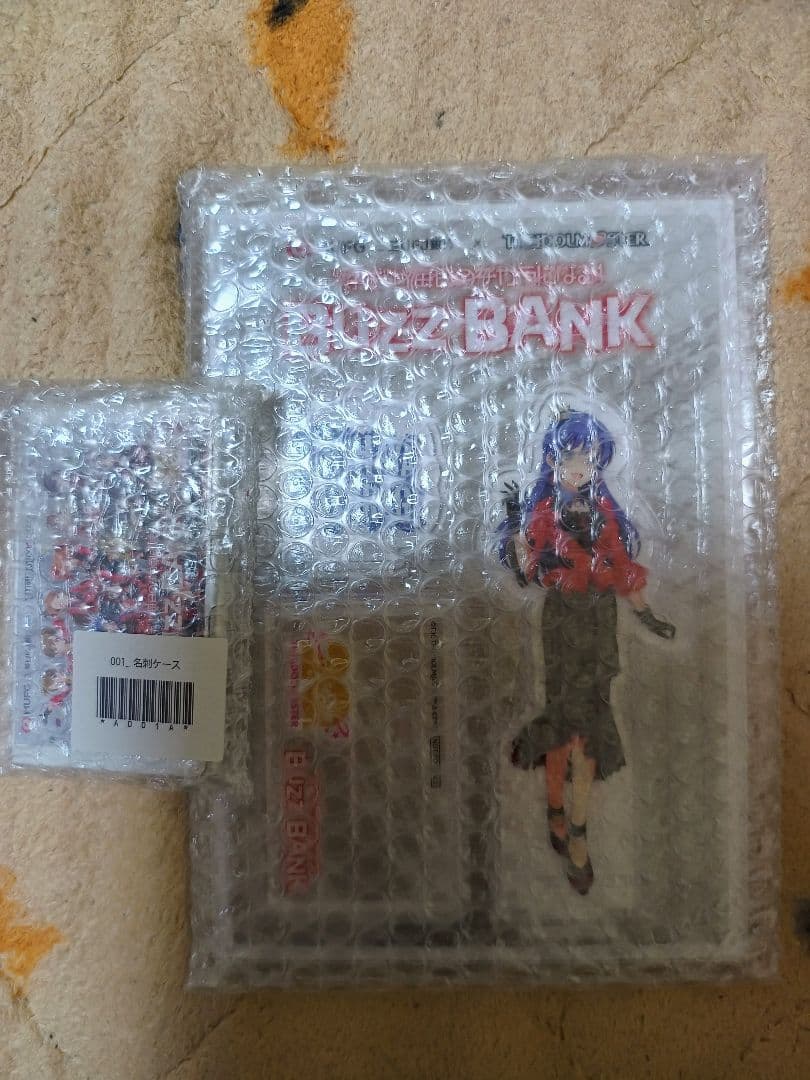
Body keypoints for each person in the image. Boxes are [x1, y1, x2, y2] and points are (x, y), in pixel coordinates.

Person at [498, 409, 675, 895]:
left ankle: (576, 826)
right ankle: (558, 812)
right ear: (553, 460)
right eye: (570, 458)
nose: (579, 469)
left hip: (600, 622)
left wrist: (646, 616)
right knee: (564, 725)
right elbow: (527, 569)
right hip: (563, 621)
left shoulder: (605, 512)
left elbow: (621, 569)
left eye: (589, 460)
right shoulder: (542, 512)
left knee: (590, 729)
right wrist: (516, 533)